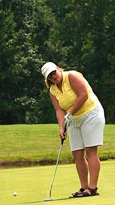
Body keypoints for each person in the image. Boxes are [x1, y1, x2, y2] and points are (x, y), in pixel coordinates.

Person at [41, 62, 105, 197]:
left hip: (91, 114)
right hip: (73, 120)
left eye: (54, 73)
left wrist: (70, 113)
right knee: (77, 153)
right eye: (49, 76)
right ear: (47, 79)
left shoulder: (72, 76)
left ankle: (92, 188)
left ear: (59, 69)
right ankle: (84, 187)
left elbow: (83, 95)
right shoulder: (52, 91)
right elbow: (59, 110)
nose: (53, 77)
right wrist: (61, 128)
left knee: (91, 151)